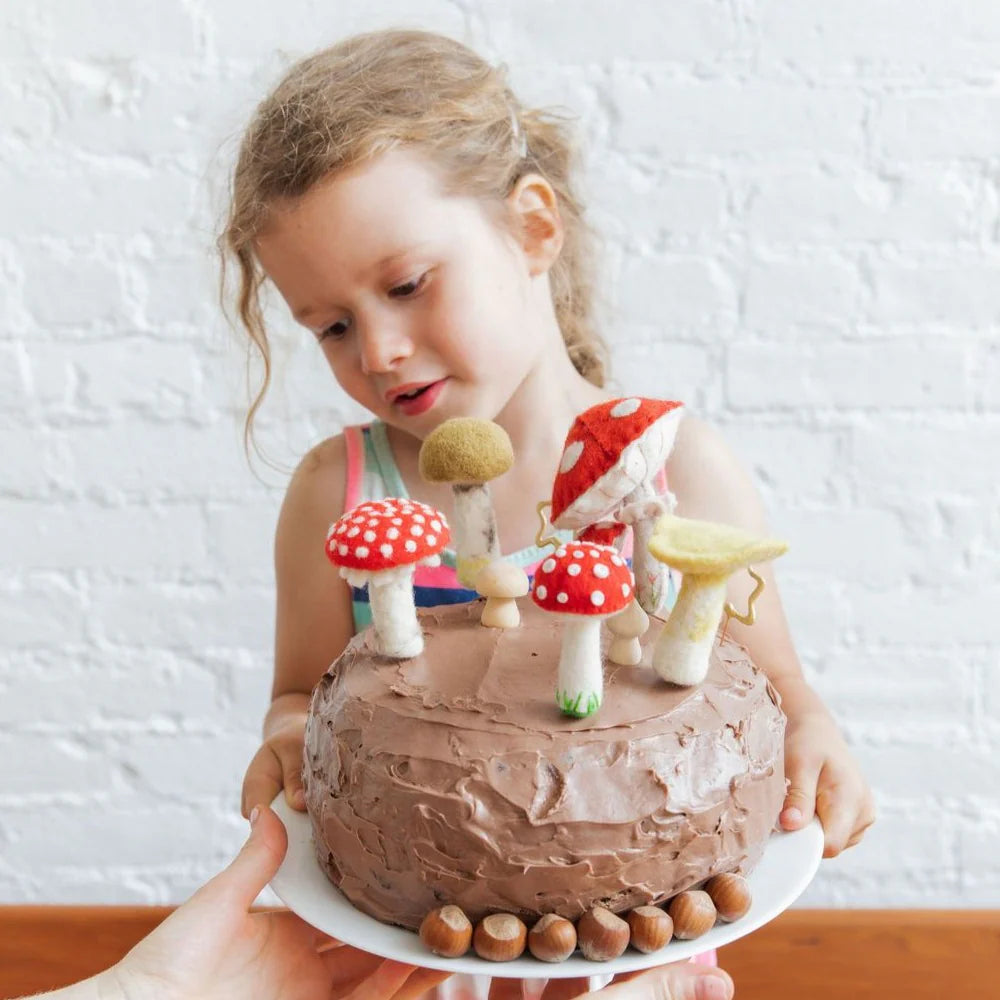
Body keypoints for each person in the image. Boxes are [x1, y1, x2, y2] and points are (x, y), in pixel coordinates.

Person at [223, 25, 873, 996]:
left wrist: (819, 739)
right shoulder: (338, 493)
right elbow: (299, 695)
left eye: (406, 285)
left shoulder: (676, 473)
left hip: (632, 960)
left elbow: (779, 695)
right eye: (332, 325)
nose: (381, 349)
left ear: (533, 227)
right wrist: (283, 737)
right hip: (401, 961)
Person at [20, 804, 734, 1000]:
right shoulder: (333, 484)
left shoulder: (684, 460)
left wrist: (814, 725)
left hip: (645, 919)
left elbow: (772, 677)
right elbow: (302, 690)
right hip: (402, 946)